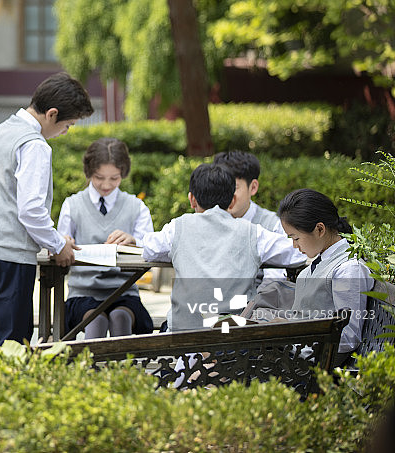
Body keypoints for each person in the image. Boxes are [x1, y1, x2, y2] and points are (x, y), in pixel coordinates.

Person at [0, 72, 94, 345]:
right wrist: (57, 243)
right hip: (10, 253)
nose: (65, 133)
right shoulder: (34, 144)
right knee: (15, 345)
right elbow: (31, 210)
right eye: (68, 125)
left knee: (6, 338)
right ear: (52, 114)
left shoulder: (3, 129)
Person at [142, 163, 304, 331]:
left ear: (192, 199)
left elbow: (149, 249)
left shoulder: (178, 227)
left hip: (184, 332)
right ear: (232, 200)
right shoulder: (252, 233)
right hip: (233, 335)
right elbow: (297, 254)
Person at [57, 137, 154, 338]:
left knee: (120, 316)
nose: (106, 185)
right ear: (89, 172)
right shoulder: (72, 205)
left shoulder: (136, 207)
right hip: (83, 293)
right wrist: (65, 242)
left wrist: (135, 241)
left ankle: (120, 368)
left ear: (123, 174)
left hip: (124, 292)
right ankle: (95, 369)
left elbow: (152, 248)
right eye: (99, 177)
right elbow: (61, 242)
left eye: (114, 178)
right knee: (96, 318)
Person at [277, 188, 373, 365]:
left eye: (296, 238)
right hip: (294, 353)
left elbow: (347, 336)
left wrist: (289, 335)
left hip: (308, 364)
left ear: (319, 229)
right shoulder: (320, 263)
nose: (294, 245)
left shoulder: (348, 269)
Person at [213, 150, 305, 284]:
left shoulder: (272, 226)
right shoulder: (208, 220)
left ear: (253, 187)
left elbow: (273, 283)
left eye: (233, 188)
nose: (226, 196)